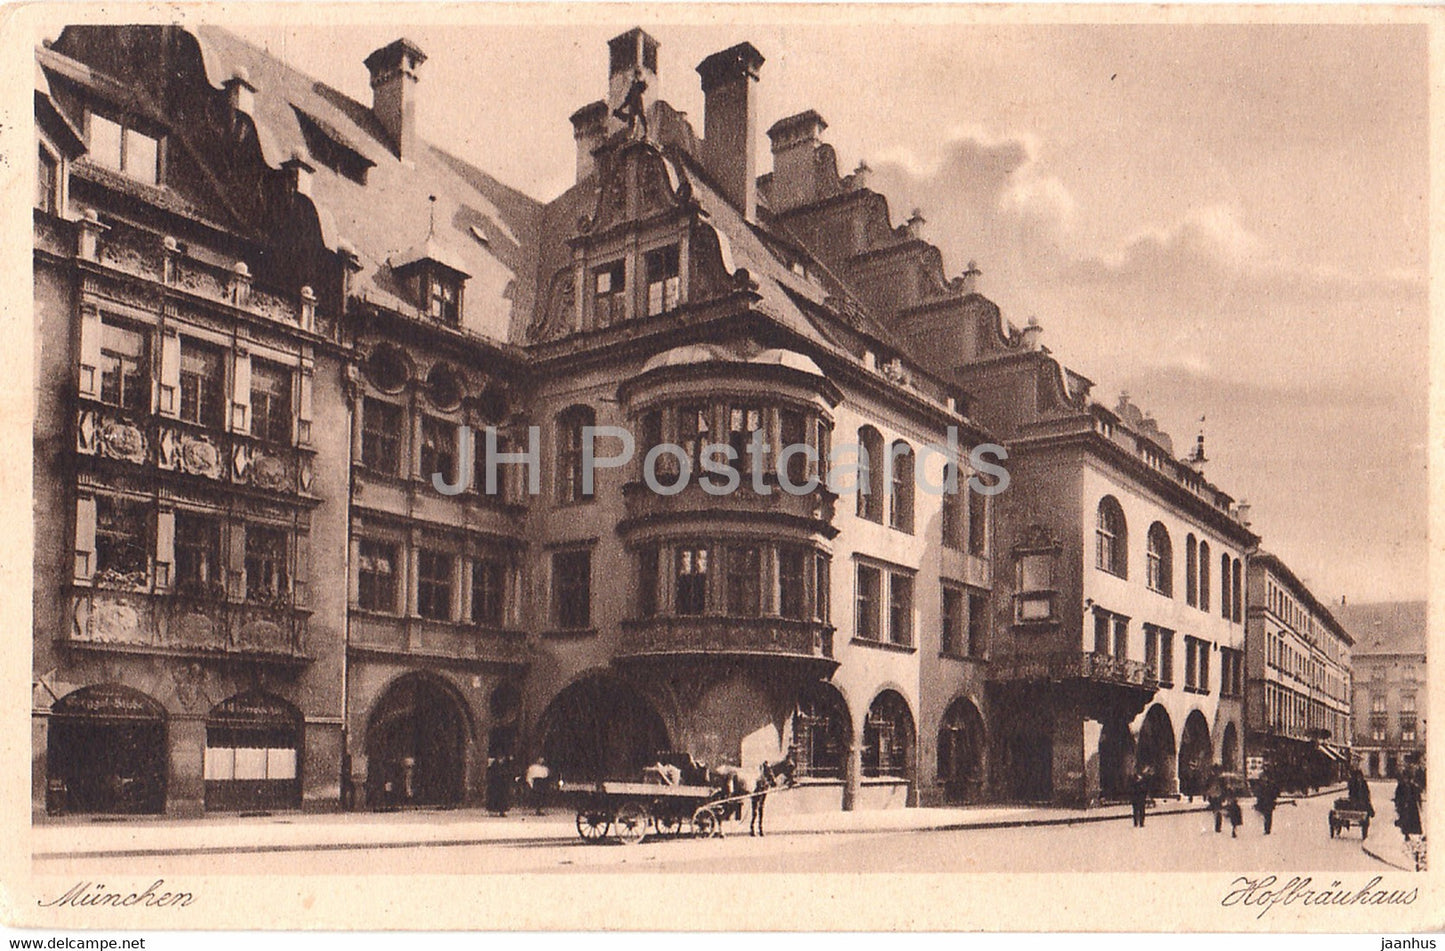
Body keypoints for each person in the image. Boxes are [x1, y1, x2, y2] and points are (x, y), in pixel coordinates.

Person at [1394, 773, 1422, 841]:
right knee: (1405, 820)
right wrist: (1397, 805)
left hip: (1412, 806)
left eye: (1407, 778)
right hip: (1403, 806)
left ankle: (1413, 833)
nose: (1406, 780)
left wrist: (1420, 804)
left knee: (1412, 820)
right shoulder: (1401, 786)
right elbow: (1397, 796)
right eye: (1405, 778)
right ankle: (1406, 834)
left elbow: (1418, 796)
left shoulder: (1413, 786)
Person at [1205, 769, 1225, 833]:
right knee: (1217, 812)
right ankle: (1218, 826)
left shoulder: (1218, 779)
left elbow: (1207, 787)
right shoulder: (1217, 779)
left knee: (1217, 812)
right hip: (1215, 796)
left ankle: (1218, 826)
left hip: (1216, 796)